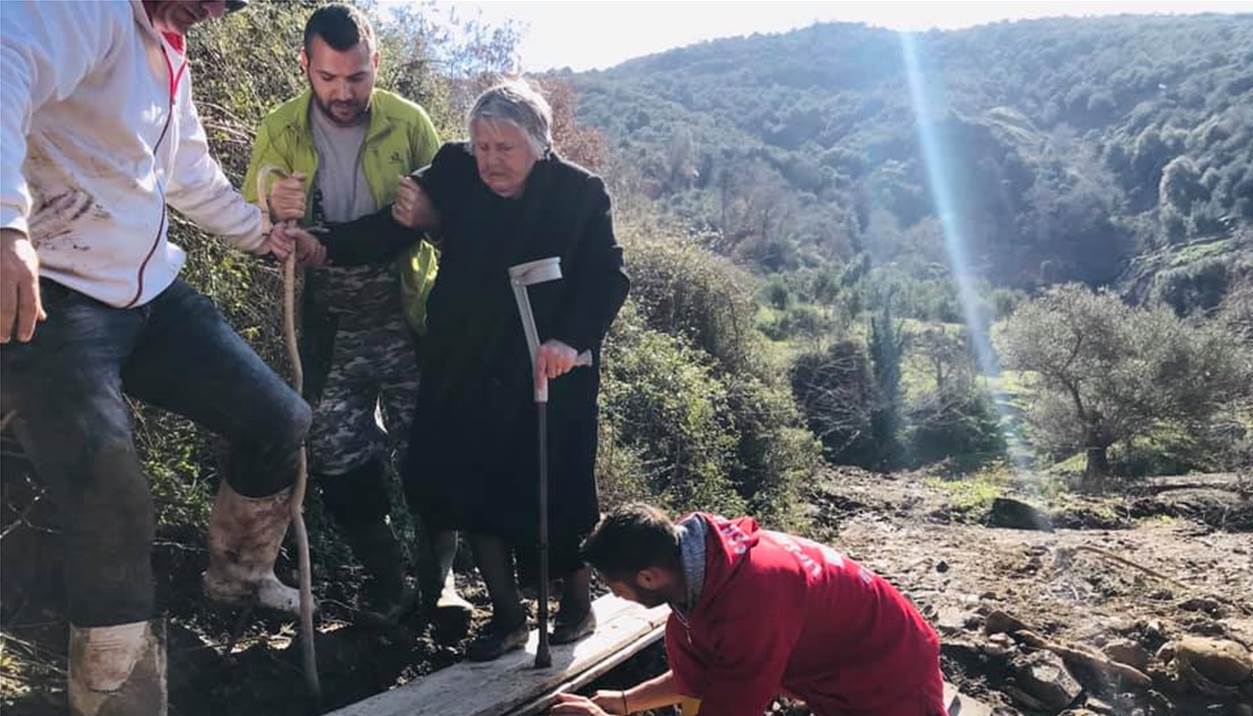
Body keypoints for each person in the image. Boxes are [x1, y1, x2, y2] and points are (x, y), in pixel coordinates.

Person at [0, 1, 322, 713]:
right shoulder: (85, 11)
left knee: (279, 418)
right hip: (55, 294)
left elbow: (185, 171)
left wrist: (258, 234)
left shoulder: (167, 48)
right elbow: (4, 59)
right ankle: (111, 692)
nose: (212, 9)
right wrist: (4, 223)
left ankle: (234, 580)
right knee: (111, 497)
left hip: (147, 293)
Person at [289, 79, 630, 660]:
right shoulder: (454, 168)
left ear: (540, 145)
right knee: (467, 481)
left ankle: (577, 605)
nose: (490, 160)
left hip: (547, 364)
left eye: (506, 147)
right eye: (482, 145)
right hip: (465, 358)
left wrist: (570, 342)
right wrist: (324, 244)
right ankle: (506, 618)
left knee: (557, 488)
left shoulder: (579, 194)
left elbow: (607, 277)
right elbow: (391, 227)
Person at [242, 2, 470, 628]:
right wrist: (269, 206)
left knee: (431, 451)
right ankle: (389, 584)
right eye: (329, 79)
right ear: (305, 68)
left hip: (404, 315)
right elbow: (245, 221)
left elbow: (453, 216)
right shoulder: (281, 128)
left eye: (358, 78)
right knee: (340, 459)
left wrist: (431, 218)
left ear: (377, 65)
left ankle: (440, 582)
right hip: (326, 326)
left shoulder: (408, 123)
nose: (344, 93)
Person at [552, 503, 947, 716]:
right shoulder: (705, 574)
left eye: (615, 586)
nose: (616, 597)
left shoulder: (751, 604)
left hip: (891, 682)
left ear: (649, 576)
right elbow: (709, 678)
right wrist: (625, 703)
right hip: (836, 675)